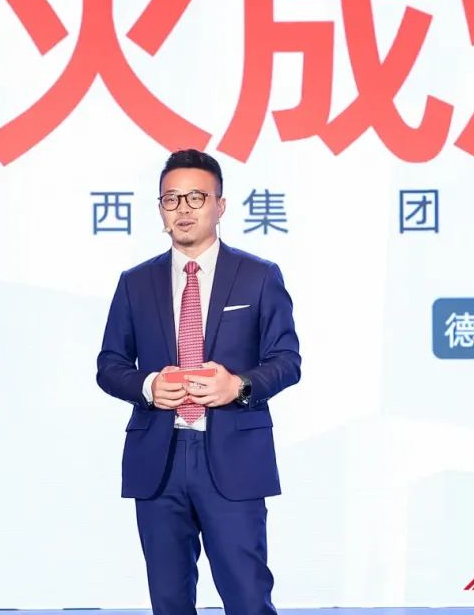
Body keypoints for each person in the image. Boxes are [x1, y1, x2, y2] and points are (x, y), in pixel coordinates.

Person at [97, 148, 302, 614]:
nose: (183, 209)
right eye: (171, 199)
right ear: (161, 209)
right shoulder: (135, 282)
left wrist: (238, 386)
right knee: (169, 601)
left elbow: (287, 360)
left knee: (247, 598)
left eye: (196, 197)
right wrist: (148, 386)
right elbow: (109, 364)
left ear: (220, 206)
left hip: (232, 457)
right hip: (160, 459)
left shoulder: (258, 276)